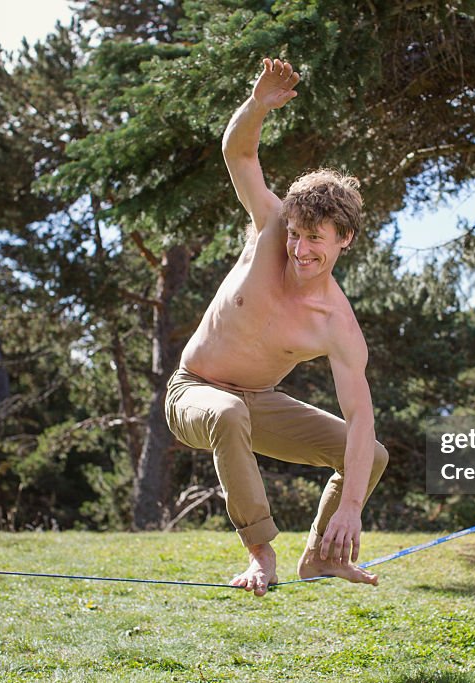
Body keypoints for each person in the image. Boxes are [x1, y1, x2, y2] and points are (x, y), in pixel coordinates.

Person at [163, 57, 388, 597]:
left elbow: (360, 416)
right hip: (193, 391)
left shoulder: (336, 323)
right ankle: (261, 555)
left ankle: (321, 556)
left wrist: (352, 507)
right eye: (296, 234)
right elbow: (238, 153)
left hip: (256, 402)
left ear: (344, 241)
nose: (300, 249)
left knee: (369, 453)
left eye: (316, 239)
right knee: (228, 410)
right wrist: (258, 105)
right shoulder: (269, 226)